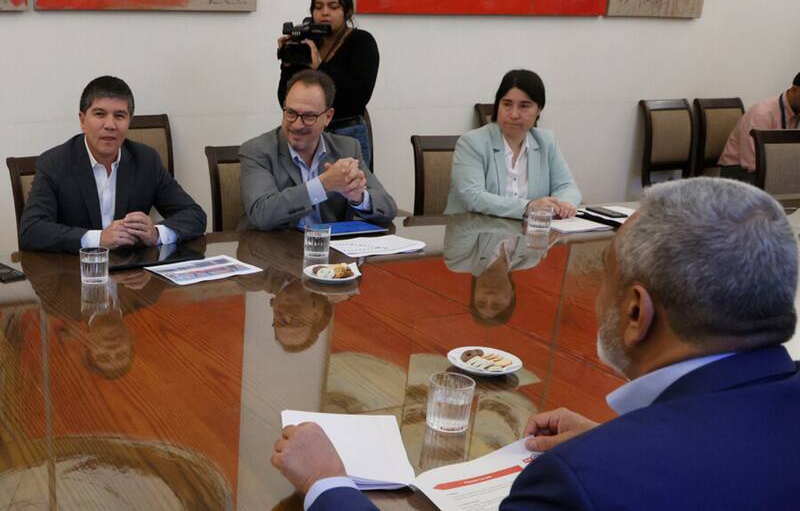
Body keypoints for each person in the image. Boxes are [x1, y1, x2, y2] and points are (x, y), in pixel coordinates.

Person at [271, 177, 800, 510]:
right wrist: (612, 439)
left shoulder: (578, 482)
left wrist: (326, 483)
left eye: (604, 278)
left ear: (637, 313)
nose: (597, 299)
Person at [19, 76, 206, 254]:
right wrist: (98, 239)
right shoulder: (54, 163)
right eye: (100, 114)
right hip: (74, 270)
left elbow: (194, 214)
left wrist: (156, 234)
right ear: (83, 120)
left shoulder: (146, 160)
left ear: (129, 121)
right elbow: (31, 230)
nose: (110, 125)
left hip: (133, 271)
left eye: (119, 116)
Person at [239, 69, 396, 231]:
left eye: (309, 117)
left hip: (331, 245)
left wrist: (358, 197)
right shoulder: (257, 150)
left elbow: (388, 207)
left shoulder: (347, 148)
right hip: (274, 245)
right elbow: (262, 214)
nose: (297, 125)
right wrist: (323, 185)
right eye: (291, 113)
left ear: (328, 116)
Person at [445, 69, 581, 221]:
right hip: (475, 231)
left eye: (524, 106)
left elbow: (568, 187)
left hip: (529, 233)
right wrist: (527, 207)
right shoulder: (472, 143)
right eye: (507, 104)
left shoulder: (546, 141)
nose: (514, 114)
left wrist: (563, 204)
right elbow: (472, 197)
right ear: (498, 105)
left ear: (539, 110)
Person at [277, 0, 379, 167]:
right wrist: (288, 64)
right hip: (305, 134)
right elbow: (285, 100)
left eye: (333, 6)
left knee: (347, 184)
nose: (324, 12)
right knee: (306, 186)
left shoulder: (362, 42)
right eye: (318, 7)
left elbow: (359, 97)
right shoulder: (306, 43)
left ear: (347, 11)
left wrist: (320, 67)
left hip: (346, 134)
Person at [718, 71, 800, 173]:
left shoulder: (795, 112)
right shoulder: (762, 113)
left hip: (767, 169)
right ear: (794, 89)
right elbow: (753, 163)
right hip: (736, 170)